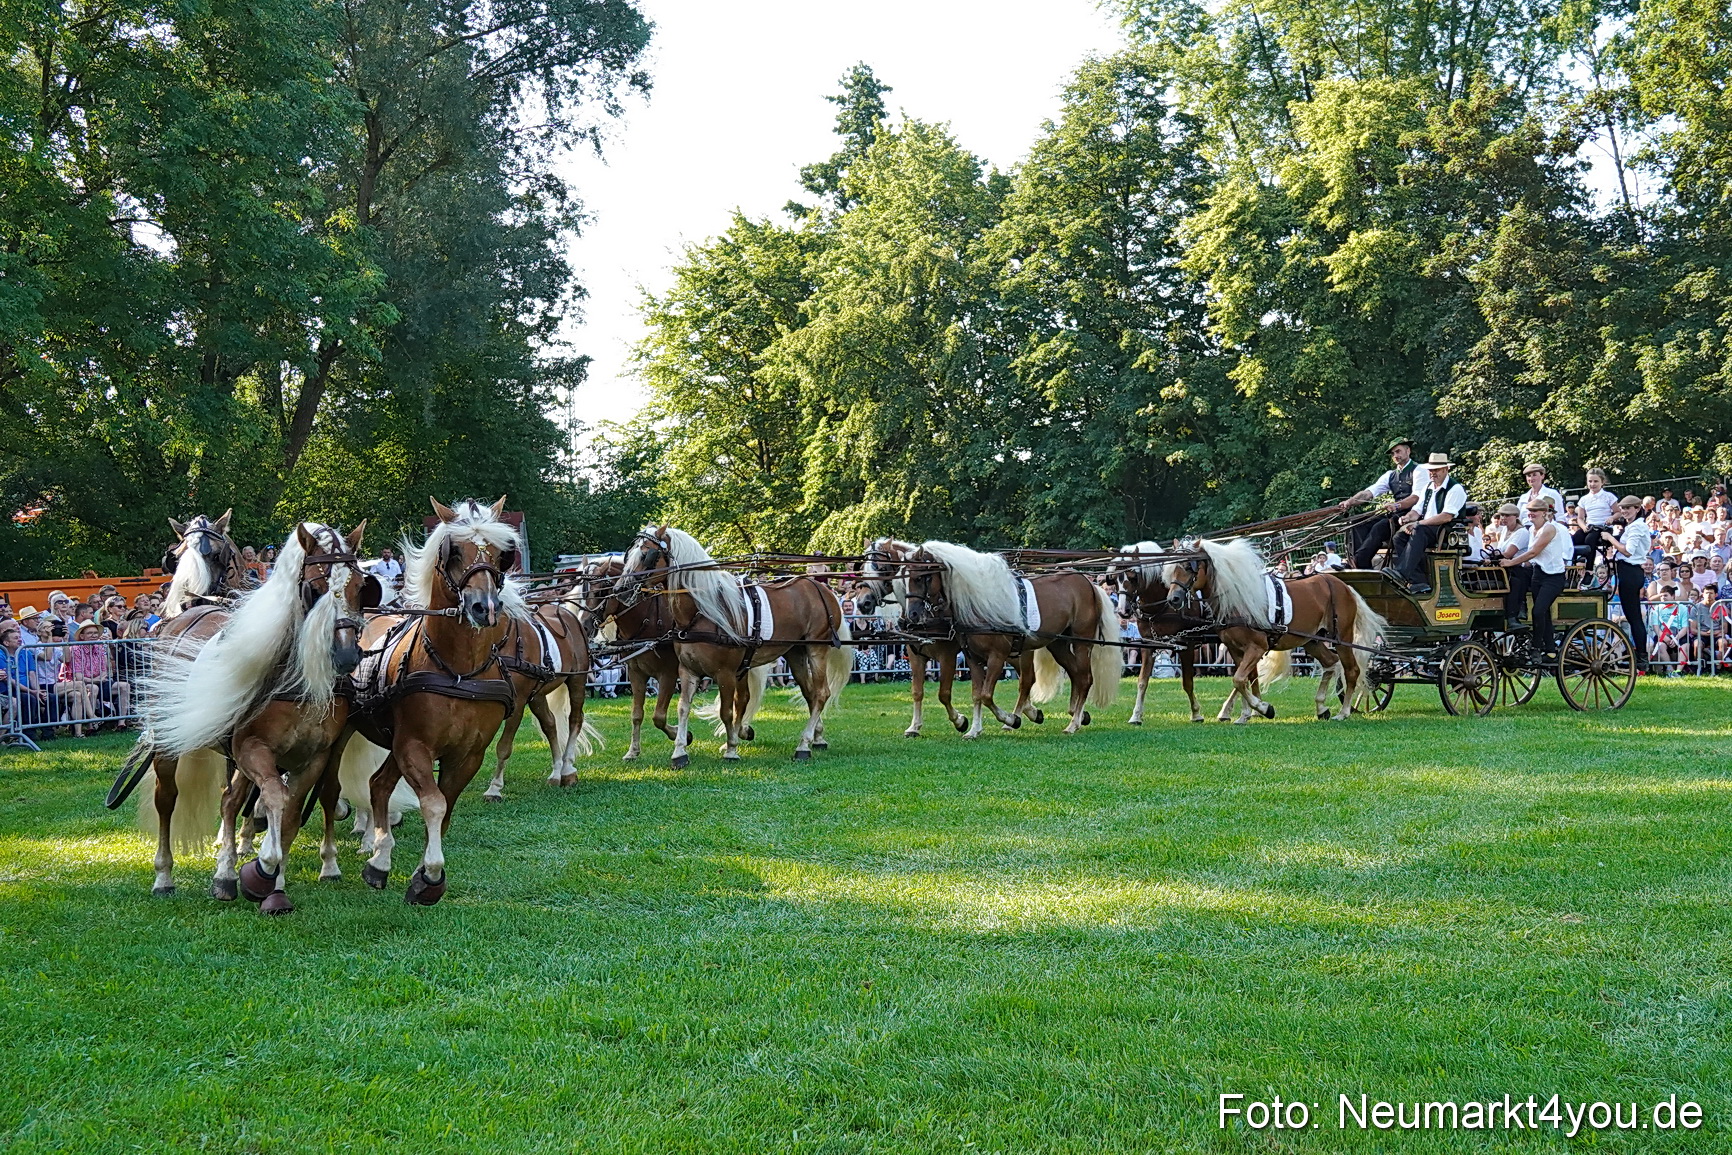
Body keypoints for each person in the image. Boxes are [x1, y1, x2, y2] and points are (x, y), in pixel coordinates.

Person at [1500, 495, 1570, 656]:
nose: (1531, 513)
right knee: (1544, 613)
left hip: (1554, 576)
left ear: (1544, 512)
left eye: (1535, 511)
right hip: (1538, 574)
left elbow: (1533, 552)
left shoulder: (1549, 529)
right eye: (1529, 510)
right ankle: (1550, 650)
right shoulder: (1531, 529)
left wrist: (1511, 562)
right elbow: (1533, 557)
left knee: (1538, 611)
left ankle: (1536, 647)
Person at [1338, 438, 1421, 569]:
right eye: (1393, 453)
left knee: (1380, 527)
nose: (1395, 456)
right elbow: (1368, 493)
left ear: (1408, 451)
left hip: (1413, 514)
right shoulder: (1390, 475)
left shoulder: (1419, 470)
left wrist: (1396, 505)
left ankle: (1357, 562)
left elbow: (1416, 497)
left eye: (1398, 451)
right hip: (1396, 513)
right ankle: (1361, 564)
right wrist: (1350, 502)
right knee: (1358, 522)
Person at [1391, 453, 1467, 594]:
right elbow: (1417, 510)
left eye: (1436, 470)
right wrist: (1407, 518)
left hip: (1445, 531)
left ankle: (1401, 573)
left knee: (1418, 531)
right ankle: (1419, 581)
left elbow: (1446, 516)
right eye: (1431, 470)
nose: (1433, 473)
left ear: (1446, 469)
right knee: (1399, 536)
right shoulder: (1428, 487)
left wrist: (1419, 523)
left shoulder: (1455, 488)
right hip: (1427, 528)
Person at [1604, 495, 1650, 670]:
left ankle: (1642, 657)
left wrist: (1610, 538)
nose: (1624, 511)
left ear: (1637, 509)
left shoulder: (1637, 526)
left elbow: (1628, 551)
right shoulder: (1631, 526)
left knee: (1634, 617)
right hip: (1627, 571)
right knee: (1633, 617)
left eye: (1628, 508)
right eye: (1622, 508)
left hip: (1631, 572)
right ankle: (1640, 656)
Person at [1516, 464, 1565, 529]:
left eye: (1534, 475)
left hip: (1545, 530)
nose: (1531, 478)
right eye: (1529, 476)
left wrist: (1553, 532)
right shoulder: (1523, 497)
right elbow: (1518, 518)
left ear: (1542, 476)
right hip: (1524, 530)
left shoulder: (1552, 494)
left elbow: (1560, 518)